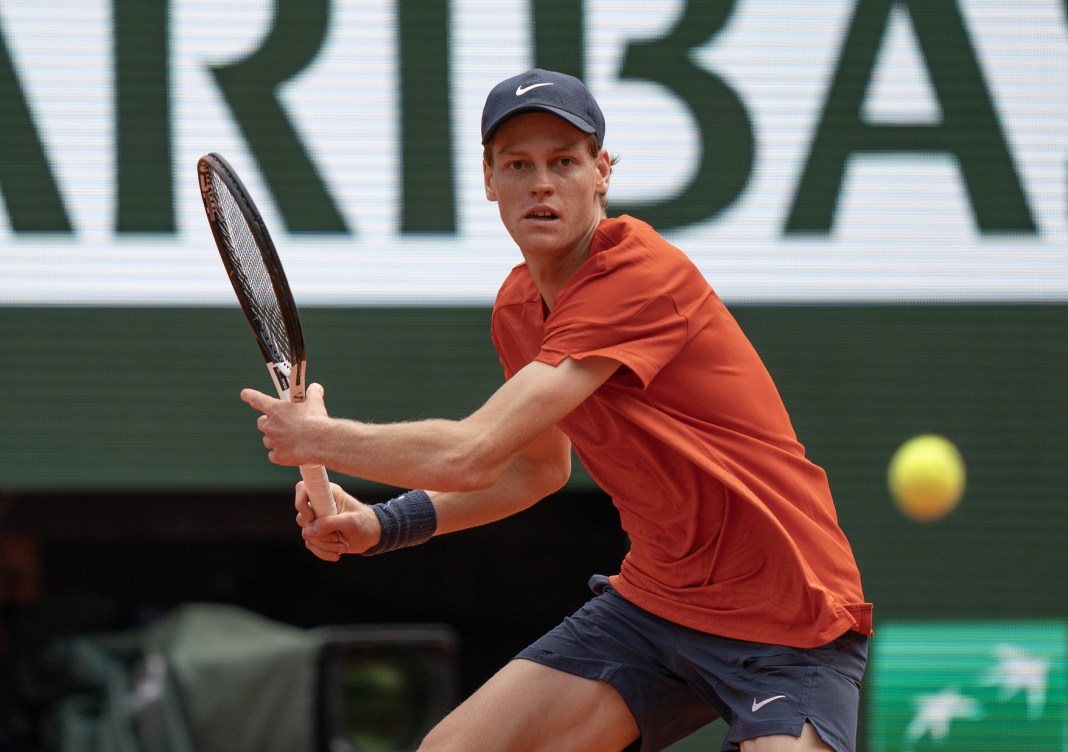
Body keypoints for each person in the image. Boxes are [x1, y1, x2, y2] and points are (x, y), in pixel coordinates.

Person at [241, 68, 873, 752]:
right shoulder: (518, 310)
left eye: (564, 162)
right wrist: (380, 524)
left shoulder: (641, 275)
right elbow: (531, 473)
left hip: (788, 619)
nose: (541, 183)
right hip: (658, 608)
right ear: (490, 180)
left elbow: (471, 451)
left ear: (601, 173)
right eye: (519, 164)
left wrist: (323, 438)